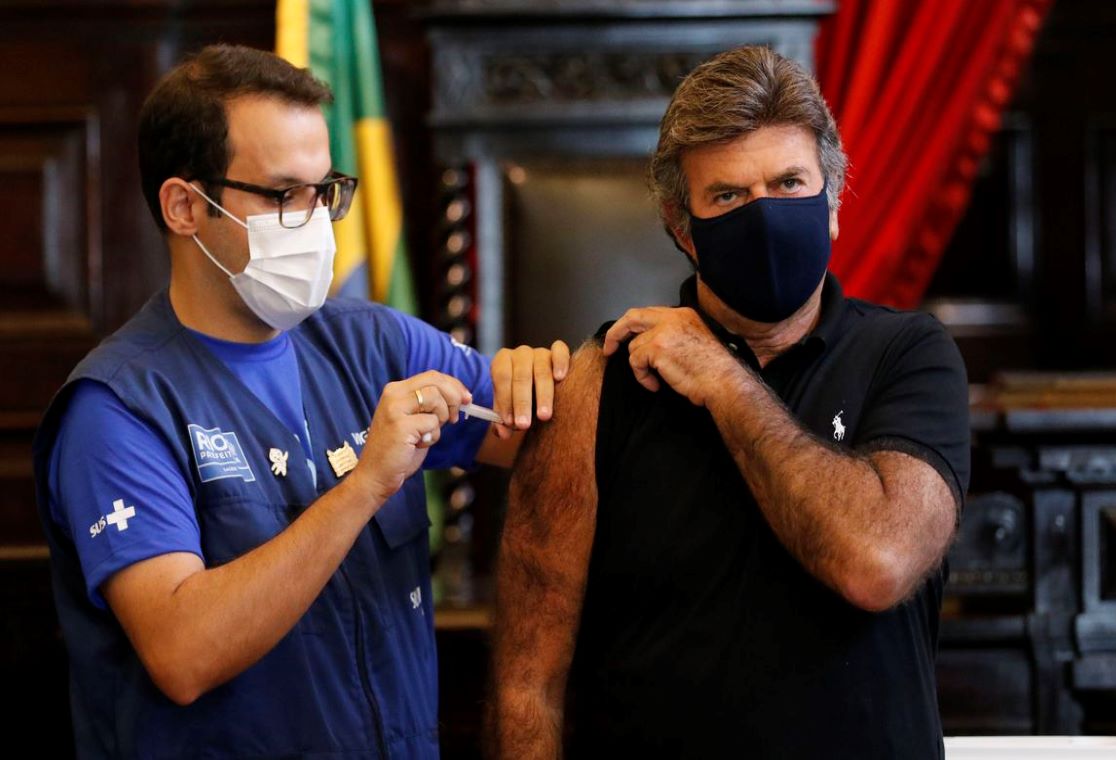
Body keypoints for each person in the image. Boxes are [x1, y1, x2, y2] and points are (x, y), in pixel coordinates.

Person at [32, 44, 568, 759]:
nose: (317, 222)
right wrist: (365, 486)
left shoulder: (372, 343)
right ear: (185, 206)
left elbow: (547, 432)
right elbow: (183, 652)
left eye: (325, 191)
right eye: (284, 196)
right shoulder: (119, 408)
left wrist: (568, 371)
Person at [490, 45, 970, 758]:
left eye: (789, 183)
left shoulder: (909, 356)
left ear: (832, 205)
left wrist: (723, 379)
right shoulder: (602, 379)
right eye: (728, 197)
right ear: (682, 228)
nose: (765, 215)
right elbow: (528, 684)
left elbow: (878, 562)